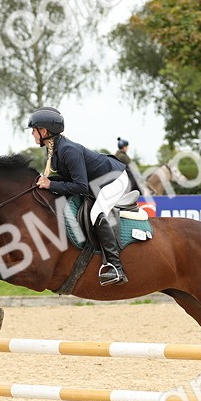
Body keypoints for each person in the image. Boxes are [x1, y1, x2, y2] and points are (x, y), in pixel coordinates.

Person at [29, 106, 131, 286]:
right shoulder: (53, 149)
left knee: (96, 213)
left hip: (114, 179)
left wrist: (50, 184)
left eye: (34, 130)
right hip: (97, 182)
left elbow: (81, 186)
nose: (32, 134)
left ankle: (116, 267)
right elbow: (65, 178)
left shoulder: (68, 150)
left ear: (44, 131)